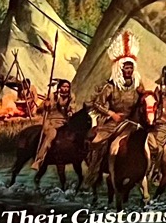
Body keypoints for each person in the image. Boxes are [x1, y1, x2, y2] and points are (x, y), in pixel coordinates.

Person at [85, 32, 147, 183]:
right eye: (126, 68)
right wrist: (112, 114)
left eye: (131, 68)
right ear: (120, 69)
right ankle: (93, 173)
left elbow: (145, 99)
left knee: (151, 144)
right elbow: (97, 103)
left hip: (132, 123)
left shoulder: (138, 86)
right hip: (112, 122)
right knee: (97, 143)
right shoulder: (110, 87)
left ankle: (151, 171)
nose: (129, 71)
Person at [30, 79, 75, 172]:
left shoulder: (71, 97)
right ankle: (39, 160)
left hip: (64, 122)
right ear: (59, 87)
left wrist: (71, 112)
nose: (66, 89)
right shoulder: (52, 96)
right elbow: (39, 110)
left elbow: (72, 107)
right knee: (51, 135)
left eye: (67, 87)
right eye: (64, 86)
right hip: (51, 122)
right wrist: (46, 105)